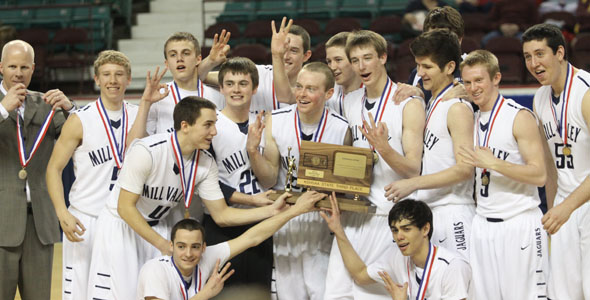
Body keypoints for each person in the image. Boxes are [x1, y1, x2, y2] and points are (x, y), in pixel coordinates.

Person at [87, 97, 287, 300]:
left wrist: (272, 211)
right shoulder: (148, 151)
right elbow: (125, 208)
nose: (214, 132)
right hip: (122, 226)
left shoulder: (205, 162)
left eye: (215, 125)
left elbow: (222, 215)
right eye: (208, 125)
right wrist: (163, 244)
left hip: (157, 227)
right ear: (185, 126)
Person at [322, 30, 425, 299]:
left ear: (383, 57)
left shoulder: (408, 102)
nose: (362, 66)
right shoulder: (349, 102)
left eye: (368, 58)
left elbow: (414, 169)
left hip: (389, 216)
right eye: (355, 60)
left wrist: (384, 148)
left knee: (376, 295)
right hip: (355, 212)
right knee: (336, 294)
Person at [45, 50, 144, 300]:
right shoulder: (80, 119)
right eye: (107, 75)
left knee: (124, 293)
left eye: (119, 74)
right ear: (97, 79)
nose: (113, 80)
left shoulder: (140, 116)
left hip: (125, 220)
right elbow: (54, 169)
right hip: (86, 219)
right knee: (78, 293)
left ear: (129, 79)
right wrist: (62, 212)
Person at [247, 62, 351, 300]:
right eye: (299, 86)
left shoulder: (341, 128)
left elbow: (344, 185)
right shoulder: (277, 120)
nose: (302, 94)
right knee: (287, 293)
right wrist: (254, 152)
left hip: (323, 220)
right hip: (287, 216)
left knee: (324, 291)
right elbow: (270, 177)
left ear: (328, 94)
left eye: (311, 89)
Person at [458, 49, 550, 299]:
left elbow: (539, 175)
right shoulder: (470, 118)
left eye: (479, 80)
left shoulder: (519, 116)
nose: (473, 88)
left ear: (496, 78)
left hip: (519, 223)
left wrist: (495, 163)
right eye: (467, 82)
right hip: (483, 225)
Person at [137, 191, 326, 300]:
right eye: (181, 246)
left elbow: (252, 237)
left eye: (195, 246)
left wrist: (295, 211)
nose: (188, 253)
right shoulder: (155, 269)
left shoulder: (207, 256)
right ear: (171, 246)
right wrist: (206, 294)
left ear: (203, 248)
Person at [385, 29, 475, 260]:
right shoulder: (434, 100)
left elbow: (465, 169)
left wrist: (413, 183)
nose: (420, 73)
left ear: (449, 67)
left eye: (427, 67)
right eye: (418, 66)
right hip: (432, 211)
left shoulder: (457, 107)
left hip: (454, 212)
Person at [0, 39, 75, 299]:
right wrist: (2, 110)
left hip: (40, 224)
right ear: (1, 67)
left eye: (24, 67)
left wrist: (71, 108)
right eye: (12, 66)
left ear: (33, 69)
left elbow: (81, 137)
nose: (18, 73)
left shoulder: (45, 104)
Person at [523, 23, 590, 299]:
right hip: (564, 207)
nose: (533, 63)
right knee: (562, 294)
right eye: (527, 56)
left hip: (585, 203)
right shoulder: (540, 98)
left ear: (560, 52)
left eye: (540, 54)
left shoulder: (586, 94)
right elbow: (549, 166)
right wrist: (554, 211)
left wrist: (566, 208)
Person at [204, 57, 274, 292]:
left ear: (254, 88)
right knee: (223, 293)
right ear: (221, 88)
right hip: (223, 224)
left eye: (243, 83)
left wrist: (253, 151)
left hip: (260, 220)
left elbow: (272, 177)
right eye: (230, 83)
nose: (236, 89)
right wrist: (250, 199)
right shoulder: (210, 126)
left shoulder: (266, 123)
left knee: (258, 292)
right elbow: (207, 182)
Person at [320, 193, 471, 300]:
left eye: (406, 229)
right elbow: (360, 275)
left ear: (425, 229)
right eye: (395, 230)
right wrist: (338, 230)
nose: (399, 236)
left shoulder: (452, 267)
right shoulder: (396, 257)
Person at [395, 6, 466, 104]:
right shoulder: (417, 74)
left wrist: (473, 95)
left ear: (459, 40)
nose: (437, 46)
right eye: (432, 40)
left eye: (444, 40)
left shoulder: (473, 72)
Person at [324, 31, 363, 116]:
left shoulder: (374, 94)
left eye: (338, 60)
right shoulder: (327, 93)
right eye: (329, 61)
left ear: (354, 60)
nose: (332, 67)